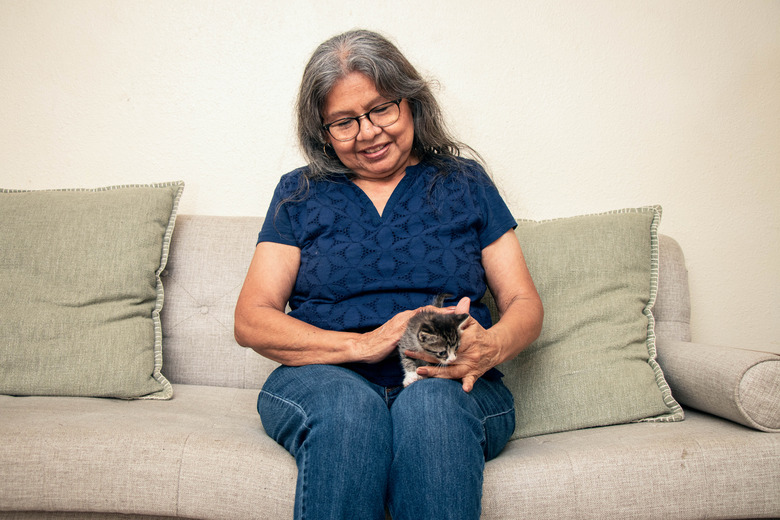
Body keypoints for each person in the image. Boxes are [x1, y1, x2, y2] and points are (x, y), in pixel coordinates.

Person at [234, 29, 543, 520]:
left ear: (411, 102)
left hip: (447, 377)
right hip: (324, 377)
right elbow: (251, 319)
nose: (369, 132)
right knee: (348, 412)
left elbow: (523, 302)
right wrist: (362, 345)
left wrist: (491, 347)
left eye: (381, 109)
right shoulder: (299, 193)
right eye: (344, 121)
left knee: (431, 407)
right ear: (322, 131)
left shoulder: (464, 183)